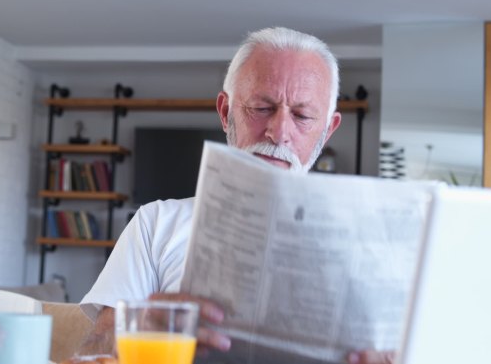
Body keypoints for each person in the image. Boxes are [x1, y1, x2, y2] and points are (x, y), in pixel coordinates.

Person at [75, 27, 394, 364]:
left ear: (327, 130)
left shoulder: (376, 247)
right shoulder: (156, 223)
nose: (279, 133)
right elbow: (91, 352)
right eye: (261, 108)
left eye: (301, 116)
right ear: (226, 112)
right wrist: (141, 331)